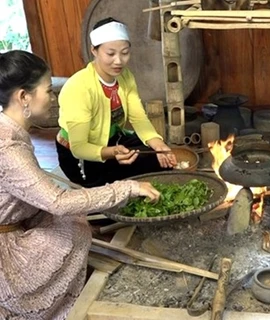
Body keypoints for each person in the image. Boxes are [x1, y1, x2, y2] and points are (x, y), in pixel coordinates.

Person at [0, 50, 160, 319]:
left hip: (20, 219)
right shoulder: (8, 147)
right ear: (24, 97)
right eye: (48, 91)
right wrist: (127, 188)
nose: (53, 98)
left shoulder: (10, 129)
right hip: (7, 245)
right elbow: (57, 202)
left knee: (76, 216)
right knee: (73, 227)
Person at [56, 17, 177, 188]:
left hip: (113, 139)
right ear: (94, 50)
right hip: (81, 154)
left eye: (125, 52)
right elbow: (79, 147)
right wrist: (112, 153)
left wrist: (159, 145)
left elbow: (138, 119)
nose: (119, 61)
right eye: (110, 54)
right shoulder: (79, 87)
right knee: (115, 193)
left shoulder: (125, 76)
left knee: (158, 159)